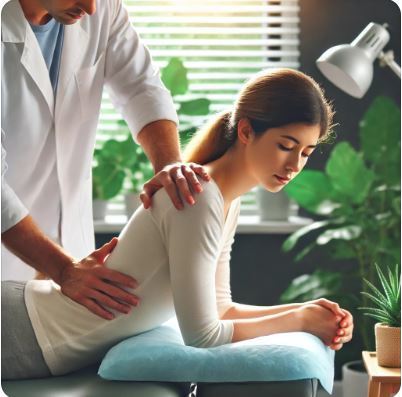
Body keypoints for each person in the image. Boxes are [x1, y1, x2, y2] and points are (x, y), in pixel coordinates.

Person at [2, 68, 354, 380]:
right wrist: (301, 321)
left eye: (306, 152)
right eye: (286, 145)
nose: (294, 165)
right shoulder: (199, 198)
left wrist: (309, 310)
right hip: (25, 330)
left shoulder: (224, 201)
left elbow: (221, 309)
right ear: (246, 131)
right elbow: (202, 335)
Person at [1, 0, 210, 320]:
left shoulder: (103, 10)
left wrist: (169, 165)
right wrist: (63, 269)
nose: (92, 7)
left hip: (74, 252)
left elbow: (142, 88)